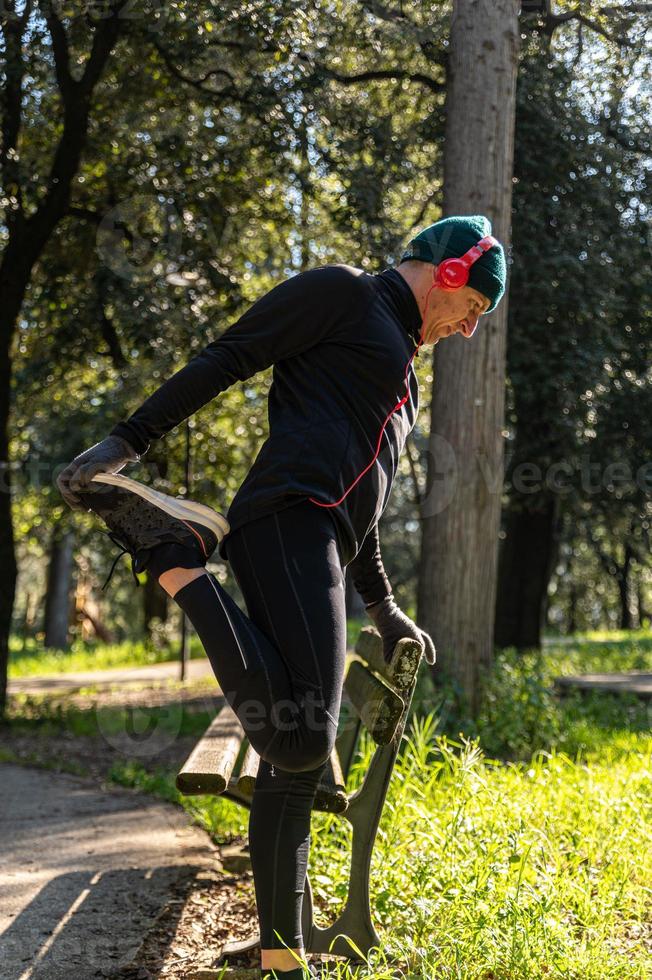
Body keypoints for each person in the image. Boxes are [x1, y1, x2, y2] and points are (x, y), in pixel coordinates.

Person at [57, 214, 506, 979]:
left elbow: (363, 501)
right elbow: (231, 354)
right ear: (453, 272)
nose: (469, 329)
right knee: (301, 740)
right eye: (474, 308)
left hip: (323, 537)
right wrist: (129, 440)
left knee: (292, 764)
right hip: (284, 523)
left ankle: (282, 958)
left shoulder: (403, 369)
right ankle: (174, 559)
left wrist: (384, 606)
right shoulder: (341, 295)